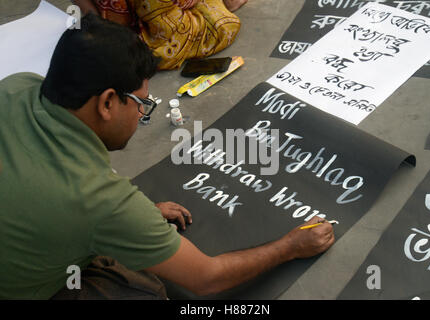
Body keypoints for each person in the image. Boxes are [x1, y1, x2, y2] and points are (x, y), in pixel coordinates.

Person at [0, 14, 334, 300]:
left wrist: (132, 220)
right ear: (107, 103)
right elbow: (207, 277)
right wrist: (291, 246)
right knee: (143, 290)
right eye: (142, 103)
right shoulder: (97, 199)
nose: (141, 117)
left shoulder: (16, 86)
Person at [72, 0, 247, 70]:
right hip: (153, 23)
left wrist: (99, 21)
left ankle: (114, 31)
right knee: (224, 26)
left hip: (114, 19)